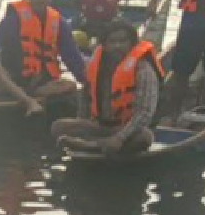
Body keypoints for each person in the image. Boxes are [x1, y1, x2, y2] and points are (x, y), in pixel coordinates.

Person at [53, 21, 166, 156]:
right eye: (112, 42)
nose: (117, 46)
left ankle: (92, 146)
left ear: (132, 44)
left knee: (144, 137)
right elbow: (85, 99)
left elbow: (145, 113)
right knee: (58, 126)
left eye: (123, 41)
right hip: (102, 127)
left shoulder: (143, 69)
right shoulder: (95, 67)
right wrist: (81, 123)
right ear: (104, 46)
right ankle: (95, 144)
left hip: (129, 130)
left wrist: (119, 138)